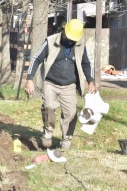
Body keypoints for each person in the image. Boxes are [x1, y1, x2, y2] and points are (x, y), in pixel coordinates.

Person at [24, 19, 96, 149]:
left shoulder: (80, 45)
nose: (70, 41)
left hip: (69, 85)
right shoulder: (50, 41)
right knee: (49, 107)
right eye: (68, 37)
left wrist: (91, 81)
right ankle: (47, 134)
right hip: (50, 83)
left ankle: (66, 139)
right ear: (64, 30)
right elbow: (36, 59)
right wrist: (30, 79)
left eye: (73, 39)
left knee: (71, 113)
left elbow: (86, 64)